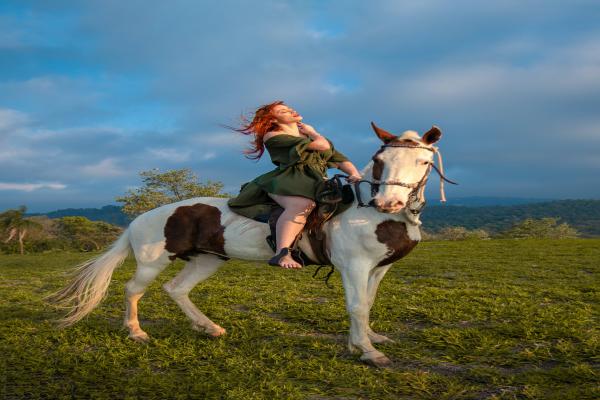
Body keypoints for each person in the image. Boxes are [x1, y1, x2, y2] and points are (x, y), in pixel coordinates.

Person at [227, 101, 362, 270]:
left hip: (316, 180)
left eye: (289, 108)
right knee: (301, 205)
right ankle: (281, 253)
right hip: (289, 178)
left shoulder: (310, 136)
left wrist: (354, 173)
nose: (291, 111)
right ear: (274, 120)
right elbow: (322, 146)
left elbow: (338, 158)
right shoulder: (273, 136)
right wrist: (313, 132)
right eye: (284, 111)